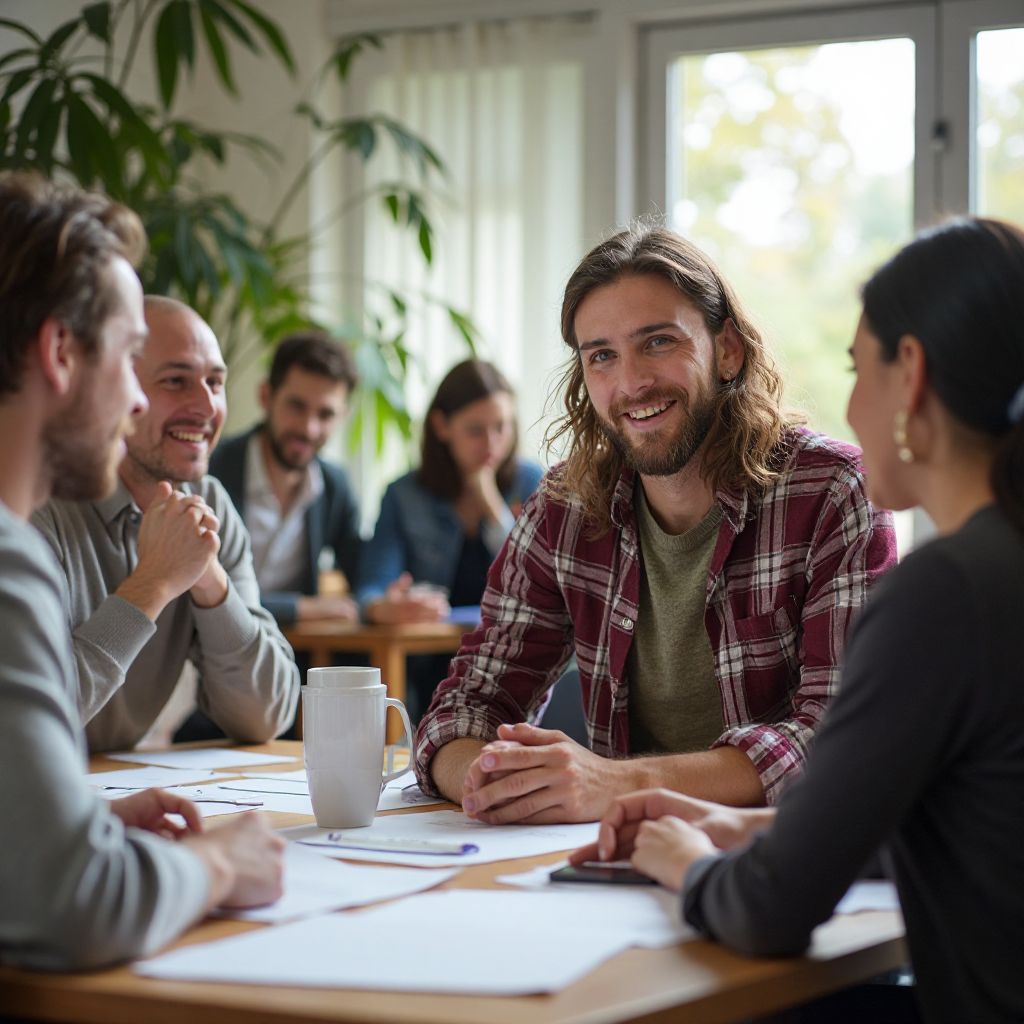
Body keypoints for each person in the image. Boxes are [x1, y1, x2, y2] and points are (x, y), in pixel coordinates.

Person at [575, 217, 1024, 1024]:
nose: (849, 403)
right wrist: (742, 830)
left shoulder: (946, 594)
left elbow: (772, 912)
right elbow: (978, 835)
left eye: (859, 368)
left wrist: (684, 861)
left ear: (910, 374)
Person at [414, 225, 896, 823]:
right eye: (602, 356)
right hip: (613, 859)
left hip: (774, 864)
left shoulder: (832, 491)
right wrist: (492, 777)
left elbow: (839, 740)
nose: (631, 382)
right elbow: (463, 710)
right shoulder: (564, 507)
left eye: (659, 343)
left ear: (728, 350)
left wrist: (614, 783)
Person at [0, 172, 284, 971]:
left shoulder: (208, 507)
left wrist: (61, 826)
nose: (134, 401)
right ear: (60, 352)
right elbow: (75, 906)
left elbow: (268, 709)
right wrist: (220, 862)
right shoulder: (10, 554)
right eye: (136, 361)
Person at [32, 296, 299, 752]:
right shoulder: (36, 503)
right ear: (114, 389)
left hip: (115, 794)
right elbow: (31, 722)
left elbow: (266, 715)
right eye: (175, 381)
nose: (206, 405)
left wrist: (210, 581)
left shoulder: (209, 502)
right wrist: (153, 583)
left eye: (215, 382)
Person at [357, 359, 544, 716]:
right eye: (475, 430)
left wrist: (492, 508)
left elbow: (538, 580)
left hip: (509, 661)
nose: (492, 443)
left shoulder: (531, 481)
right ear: (442, 426)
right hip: (425, 665)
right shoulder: (404, 494)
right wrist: (385, 606)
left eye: (501, 427)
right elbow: (370, 587)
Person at [210, 330, 363, 627]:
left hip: (295, 658)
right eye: (297, 406)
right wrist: (299, 608)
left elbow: (364, 576)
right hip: (212, 653)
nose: (309, 428)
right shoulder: (212, 471)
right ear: (266, 396)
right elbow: (205, 592)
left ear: (342, 416)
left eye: (326, 415)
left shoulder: (334, 486)